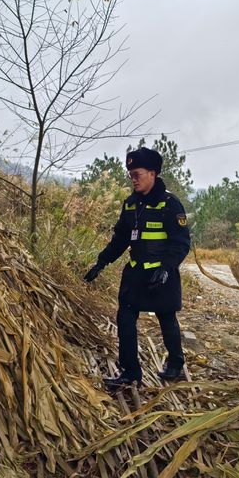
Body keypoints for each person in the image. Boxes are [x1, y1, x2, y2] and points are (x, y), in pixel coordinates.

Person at [84, 147, 191, 388]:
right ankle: (130, 373)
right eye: (130, 174)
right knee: (125, 319)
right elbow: (120, 239)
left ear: (153, 173)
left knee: (167, 319)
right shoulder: (131, 204)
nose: (133, 179)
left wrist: (166, 268)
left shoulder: (170, 204)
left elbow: (181, 242)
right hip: (135, 274)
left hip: (161, 275)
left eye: (137, 174)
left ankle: (175, 363)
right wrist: (102, 261)